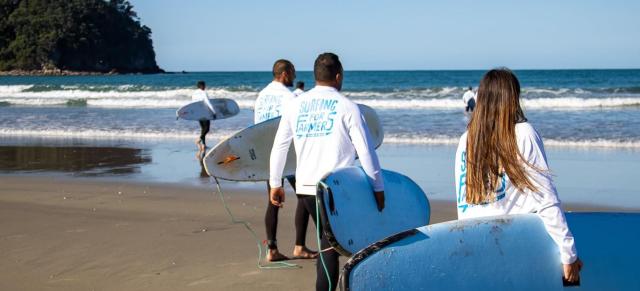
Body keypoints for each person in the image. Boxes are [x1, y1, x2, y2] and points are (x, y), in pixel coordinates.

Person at [454, 68, 583, 284]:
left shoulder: (466, 139)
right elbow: (545, 198)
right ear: (512, 98)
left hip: (475, 247)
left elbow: (463, 202)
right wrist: (568, 253)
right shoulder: (523, 133)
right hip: (515, 246)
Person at [269, 52, 385, 291]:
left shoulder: (295, 105)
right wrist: (378, 186)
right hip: (336, 189)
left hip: (306, 188)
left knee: (328, 242)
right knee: (330, 247)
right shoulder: (347, 106)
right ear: (338, 76)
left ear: (315, 77)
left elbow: (280, 145)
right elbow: (366, 151)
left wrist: (275, 183)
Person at [255, 59, 317, 262]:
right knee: (305, 196)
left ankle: (271, 250)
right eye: (293, 72)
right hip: (288, 155)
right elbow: (300, 126)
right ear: (285, 73)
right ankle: (300, 247)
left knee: (273, 200)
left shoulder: (261, 96)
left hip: (268, 154)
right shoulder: (289, 98)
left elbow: (257, 127)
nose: (295, 77)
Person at [193, 81, 216, 152]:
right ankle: (199, 139)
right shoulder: (203, 93)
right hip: (205, 113)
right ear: (202, 86)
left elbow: (193, 103)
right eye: (204, 85)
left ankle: (203, 145)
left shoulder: (194, 94)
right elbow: (208, 102)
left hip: (198, 113)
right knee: (207, 129)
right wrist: (214, 112)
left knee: (203, 129)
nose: (205, 86)